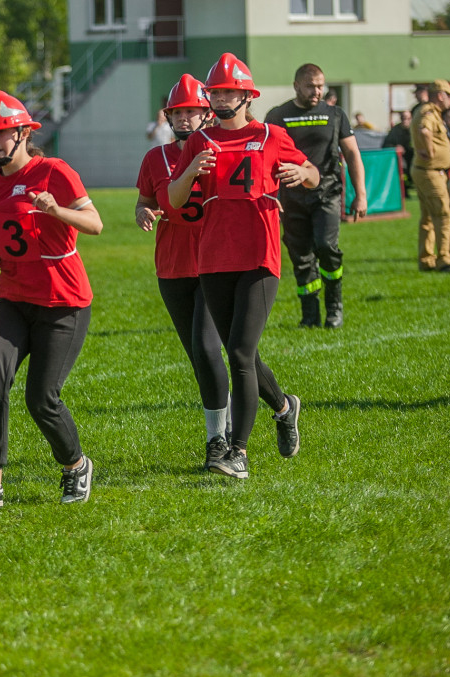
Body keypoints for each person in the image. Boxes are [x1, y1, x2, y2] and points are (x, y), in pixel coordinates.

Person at [168, 53, 318, 479]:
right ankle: (285, 406)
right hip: (213, 258)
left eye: (228, 91)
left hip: (259, 254)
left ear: (247, 95)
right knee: (243, 353)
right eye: (214, 91)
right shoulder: (199, 141)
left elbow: (312, 173)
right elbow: (175, 199)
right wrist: (192, 170)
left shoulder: (270, 134)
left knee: (237, 352)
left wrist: (299, 172)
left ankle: (238, 452)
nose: (219, 98)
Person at [0, 90, 103, 505]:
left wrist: (55, 211)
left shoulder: (54, 171)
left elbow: (95, 224)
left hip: (63, 302)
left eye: (2, 133)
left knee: (41, 399)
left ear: (25, 132)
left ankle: (75, 465)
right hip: (12, 300)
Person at [135, 74, 232, 469]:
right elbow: (144, 199)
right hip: (172, 266)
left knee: (213, 350)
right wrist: (143, 210)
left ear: (206, 113)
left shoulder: (219, 151)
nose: (185, 119)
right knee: (200, 355)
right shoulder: (154, 158)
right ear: (168, 116)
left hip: (215, 263)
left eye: (192, 111)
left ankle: (219, 441)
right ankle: (280, 404)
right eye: (178, 112)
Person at [265, 63, 368, 329]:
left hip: (327, 193)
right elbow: (264, 159)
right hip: (290, 198)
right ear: (296, 85)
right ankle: (309, 315)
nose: (317, 91)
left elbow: (353, 155)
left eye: (321, 85)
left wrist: (361, 195)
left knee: (326, 246)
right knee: (300, 256)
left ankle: (334, 308)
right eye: (311, 85)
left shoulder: (335, 114)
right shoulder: (278, 115)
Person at [410, 79, 450, 273]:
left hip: (426, 171)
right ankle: (444, 260)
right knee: (444, 215)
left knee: (428, 218)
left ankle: (426, 259)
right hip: (430, 172)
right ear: (440, 95)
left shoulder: (429, 112)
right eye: (449, 96)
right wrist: (428, 150)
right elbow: (424, 130)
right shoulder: (428, 112)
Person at [383, 111, 414, 198]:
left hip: (413, 158)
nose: (405, 121)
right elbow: (386, 145)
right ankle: (404, 191)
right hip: (400, 158)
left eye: (408, 118)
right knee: (402, 167)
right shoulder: (395, 130)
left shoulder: (414, 130)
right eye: (403, 118)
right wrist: (396, 147)